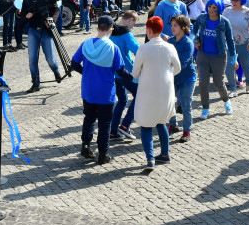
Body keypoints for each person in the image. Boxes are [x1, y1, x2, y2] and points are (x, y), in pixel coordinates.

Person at [70, 16, 125, 165]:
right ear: (111, 29)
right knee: (105, 123)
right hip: (106, 92)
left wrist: (85, 72)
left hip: (88, 90)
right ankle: (103, 153)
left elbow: (74, 63)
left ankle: (86, 145)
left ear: (97, 28)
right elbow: (120, 71)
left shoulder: (86, 44)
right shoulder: (113, 48)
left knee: (89, 117)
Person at [132, 16, 181, 172]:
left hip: (148, 90)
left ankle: (150, 159)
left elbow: (134, 73)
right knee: (161, 121)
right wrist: (166, 73)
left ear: (148, 30)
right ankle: (165, 154)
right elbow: (178, 68)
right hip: (166, 90)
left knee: (146, 125)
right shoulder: (170, 47)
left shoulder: (144, 48)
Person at [19, 0, 65, 92]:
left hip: (46, 30)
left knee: (50, 59)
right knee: (32, 59)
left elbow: (56, 10)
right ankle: (35, 83)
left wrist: (51, 21)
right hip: (33, 30)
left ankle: (55, 71)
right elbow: (23, 15)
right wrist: (27, 15)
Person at [193, 0, 234, 118]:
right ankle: (205, 108)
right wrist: (196, 40)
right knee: (203, 83)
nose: (211, 10)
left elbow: (230, 41)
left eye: (214, 8)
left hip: (219, 56)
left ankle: (226, 101)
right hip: (203, 55)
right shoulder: (202, 18)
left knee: (218, 83)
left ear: (219, 9)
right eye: (210, 6)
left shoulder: (224, 22)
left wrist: (233, 58)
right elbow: (193, 31)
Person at [108, 11, 140, 140]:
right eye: (134, 24)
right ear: (130, 20)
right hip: (126, 72)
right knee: (139, 95)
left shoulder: (110, 31)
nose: (133, 27)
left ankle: (113, 131)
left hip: (113, 74)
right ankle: (125, 125)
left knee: (122, 101)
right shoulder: (126, 32)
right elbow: (137, 49)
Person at [166, 15, 196, 142]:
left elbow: (183, 63)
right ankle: (173, 124)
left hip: (187, 78)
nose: (172, 28)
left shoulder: (188, 43)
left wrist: (168, 70)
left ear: (183, 27)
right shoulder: (170, 42)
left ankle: (187, 131)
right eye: (172, 25)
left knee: (185, 105)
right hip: (173, 78)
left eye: (175, 25)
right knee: (171, 102)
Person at [223, 0, 249, 93]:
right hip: (230, 44)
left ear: (242, 0)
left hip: (245, 43)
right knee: (229, 66)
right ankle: (233, 89)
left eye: (236, 0)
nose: (234, 2)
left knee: (246, 64)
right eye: (232, 0)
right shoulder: (227, 11)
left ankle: (248, 84)